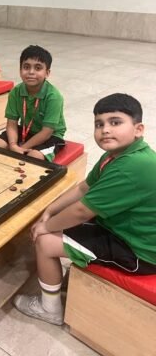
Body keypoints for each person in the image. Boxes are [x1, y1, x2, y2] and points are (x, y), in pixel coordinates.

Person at [13, 93, 156, 325]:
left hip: (139, 251)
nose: (105, 130)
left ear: (138, 129)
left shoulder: (132, 166)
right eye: (99, 124)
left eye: (115, 122)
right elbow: (83, 188)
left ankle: (49, 309)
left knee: (45, 241)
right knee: (59, 222)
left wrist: (45, 227)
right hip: (125, 229)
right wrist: (50, 209)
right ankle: (66, 280)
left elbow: (82, 211)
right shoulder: (117, 155)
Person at [0, 45, 66, 161]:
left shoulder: (54, 97)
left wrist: (22, 148)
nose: (31, 72)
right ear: (20, 70)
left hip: (51, 136)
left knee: (34, 157)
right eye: (26, 67)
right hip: (26, 130)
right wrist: (13, 145)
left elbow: (46, 132)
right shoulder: (16, 92)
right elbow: (12, 124)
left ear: (47, 73)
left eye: (38, 68)